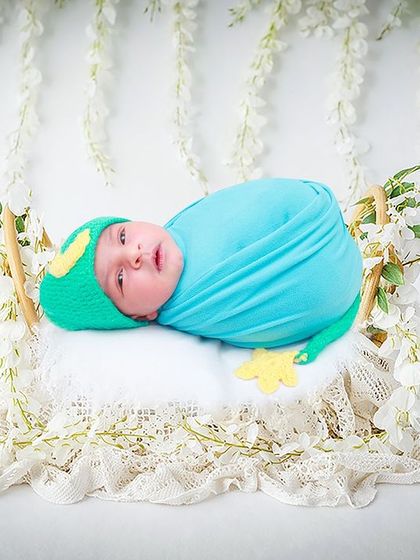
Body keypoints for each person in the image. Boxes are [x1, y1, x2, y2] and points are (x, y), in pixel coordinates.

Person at [39, 177, 363, 366]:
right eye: (120, 278)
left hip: (317, 215)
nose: (134, 254)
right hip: (326, 268)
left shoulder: (180, 228)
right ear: (141, 316)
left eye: (122, 236)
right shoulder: (199, 301)